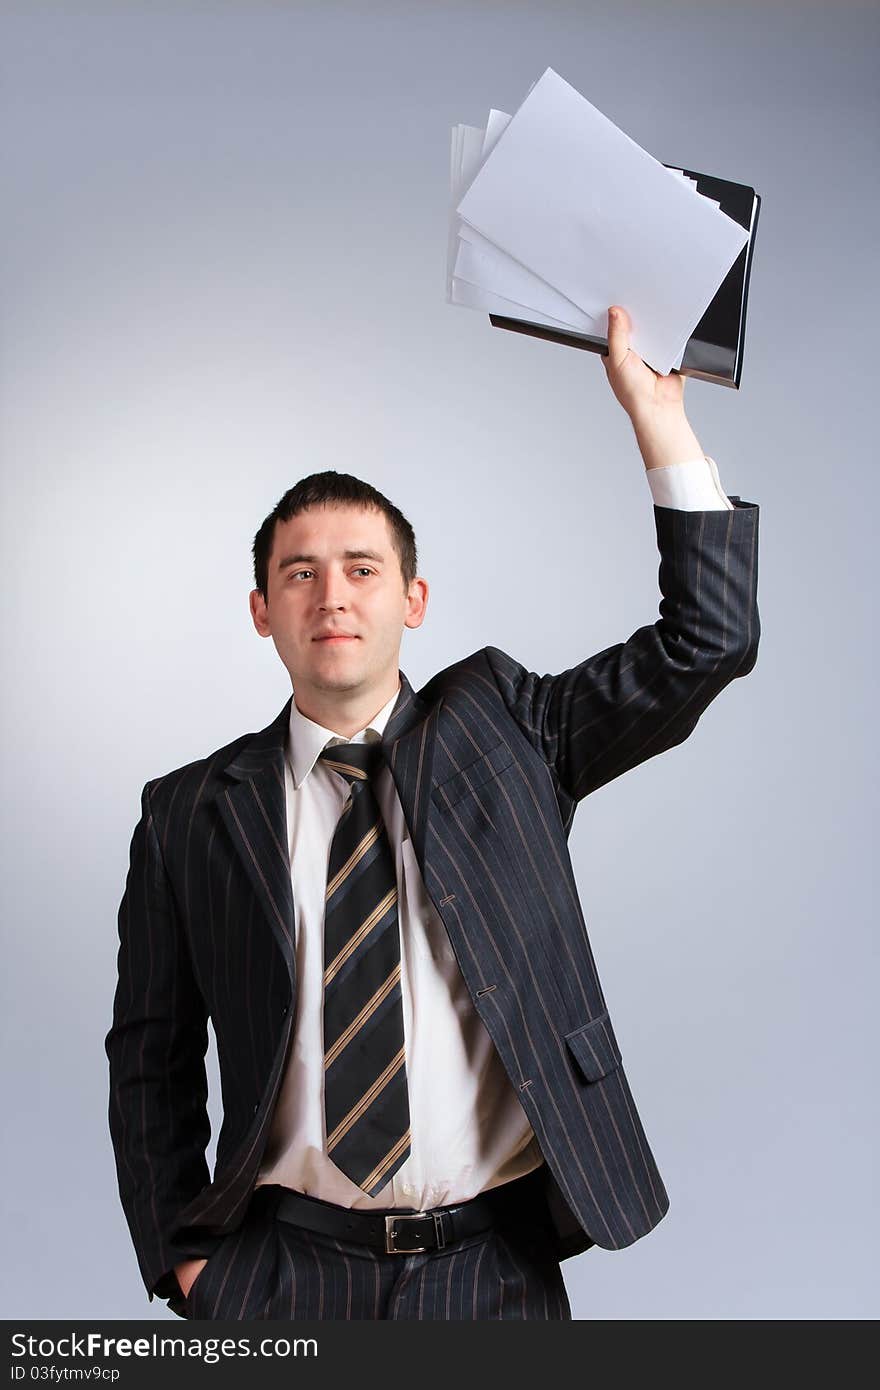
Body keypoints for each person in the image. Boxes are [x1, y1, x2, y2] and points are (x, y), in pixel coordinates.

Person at [105, 306, 760, 1320]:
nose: (333, 595)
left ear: (412, 599)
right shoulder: (190, 811)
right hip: (281, 1278)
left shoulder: (509, 729)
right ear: (261, 610)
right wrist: (184, 1262)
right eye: (299, 573)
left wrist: (658, 417)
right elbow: (149, 1057)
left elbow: (705, 642)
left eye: (362, 569)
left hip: (489, 1270)